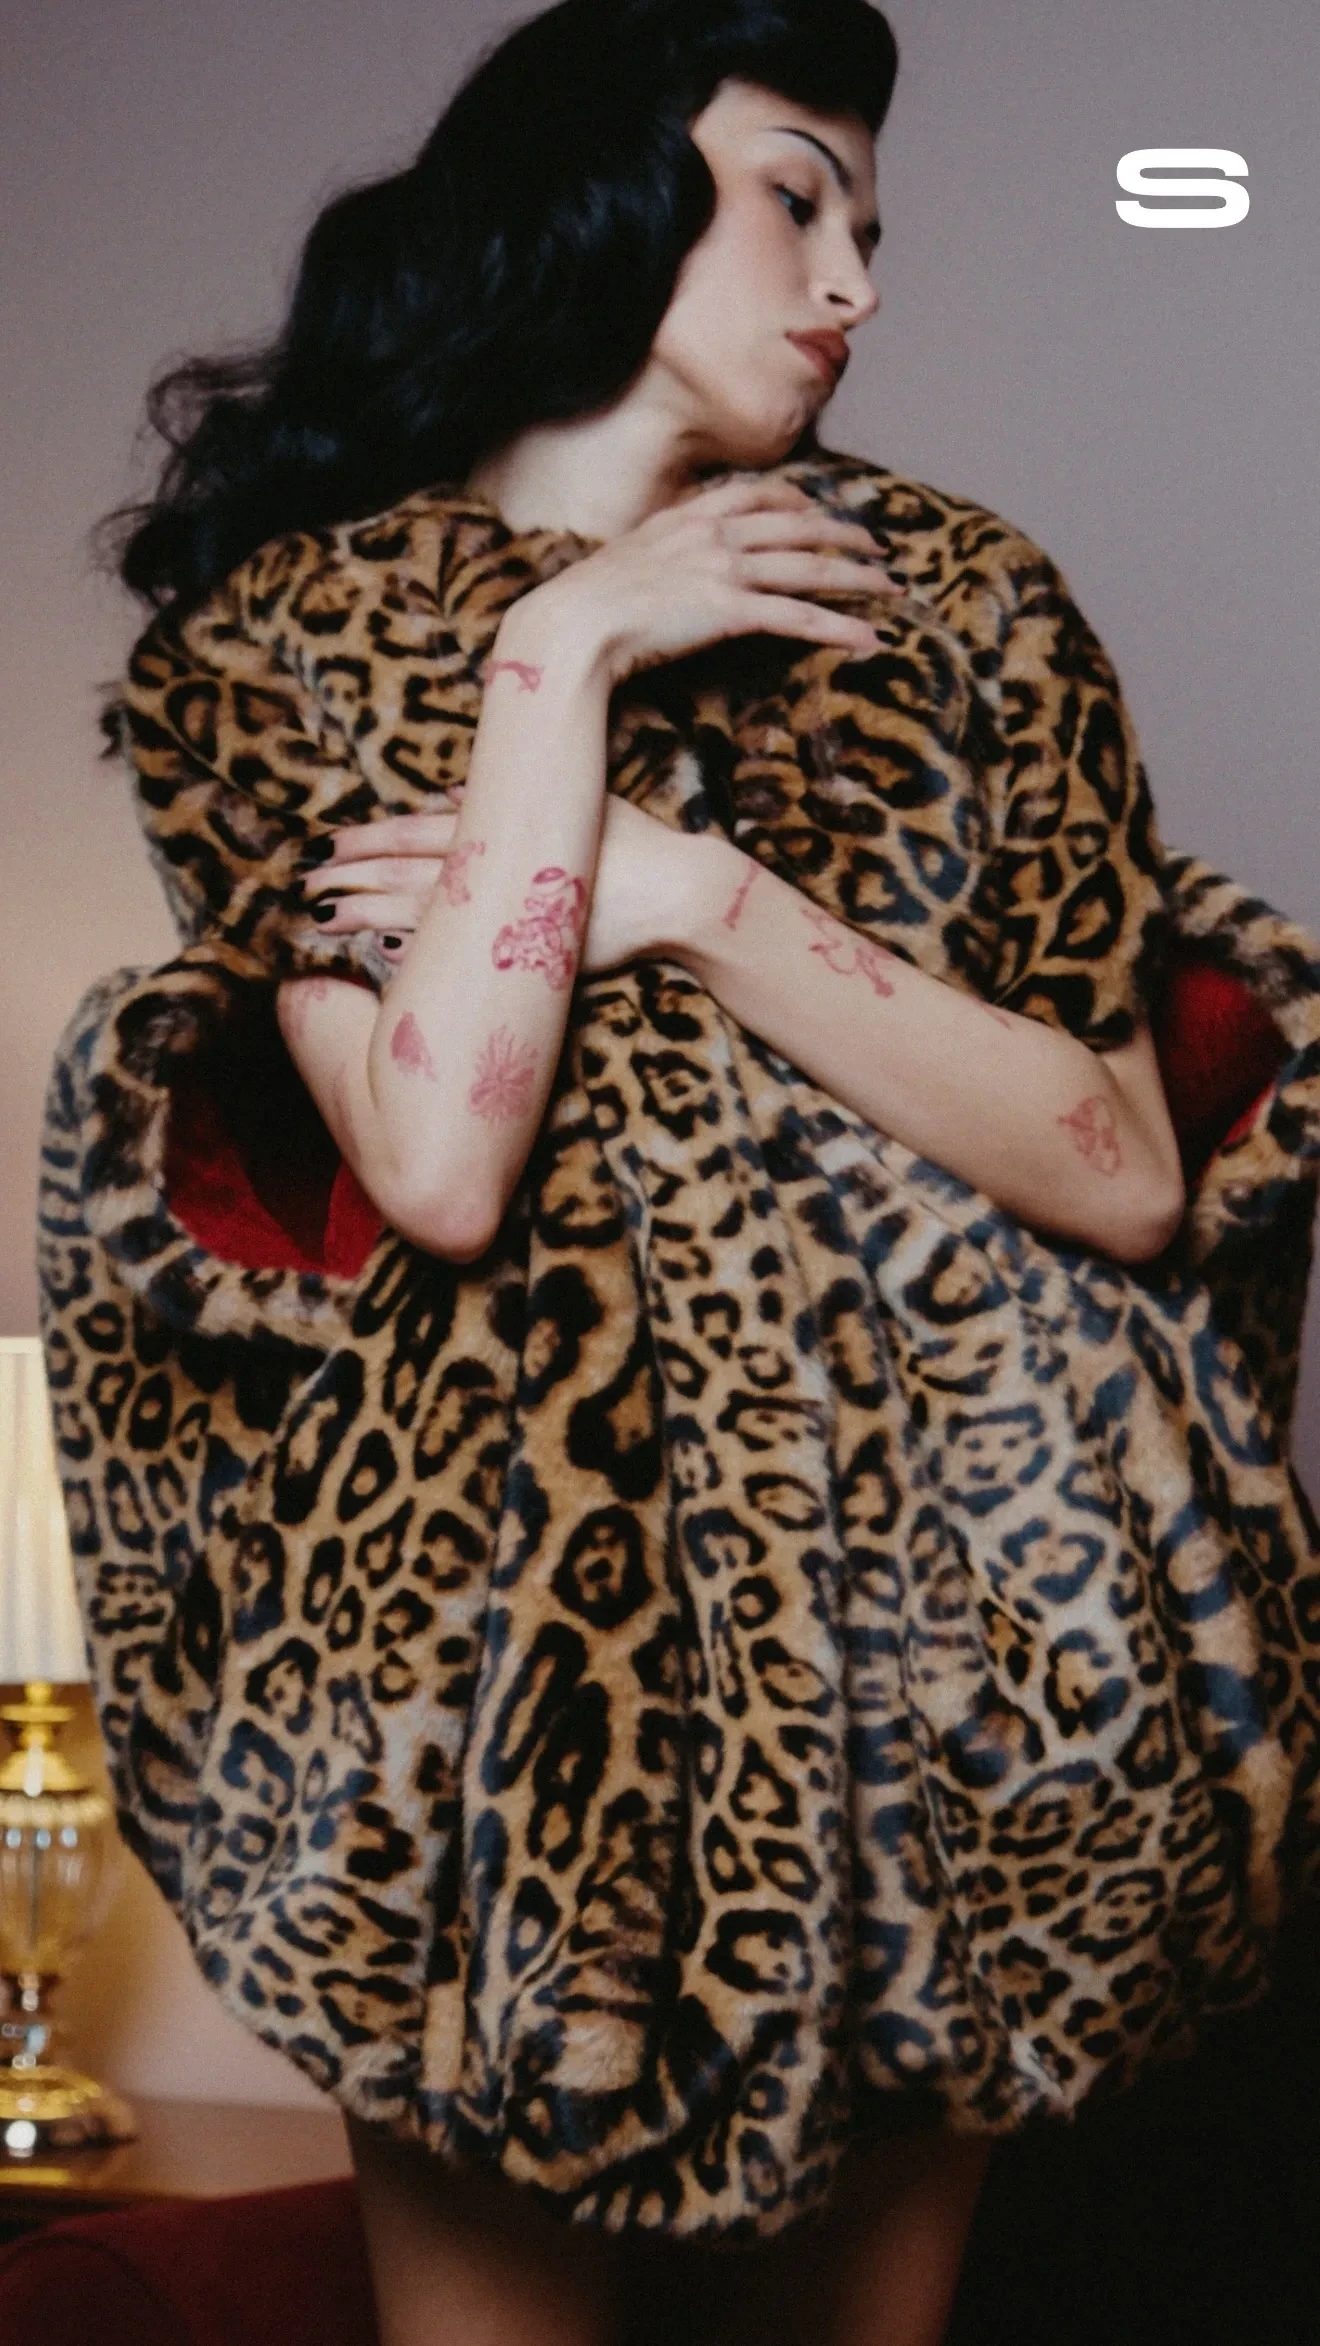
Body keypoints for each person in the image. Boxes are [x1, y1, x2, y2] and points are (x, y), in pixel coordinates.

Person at [44, 4, 1320, 2345]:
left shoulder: (965, 609)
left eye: (874, 227)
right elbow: (444, 1161)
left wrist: (696, 897)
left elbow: (1131, 1169)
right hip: (486, 1698)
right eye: (794, 196)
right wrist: (565, 653)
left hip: (952, 1661)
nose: (854, 283)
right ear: (600, 191)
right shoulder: (295, 649)